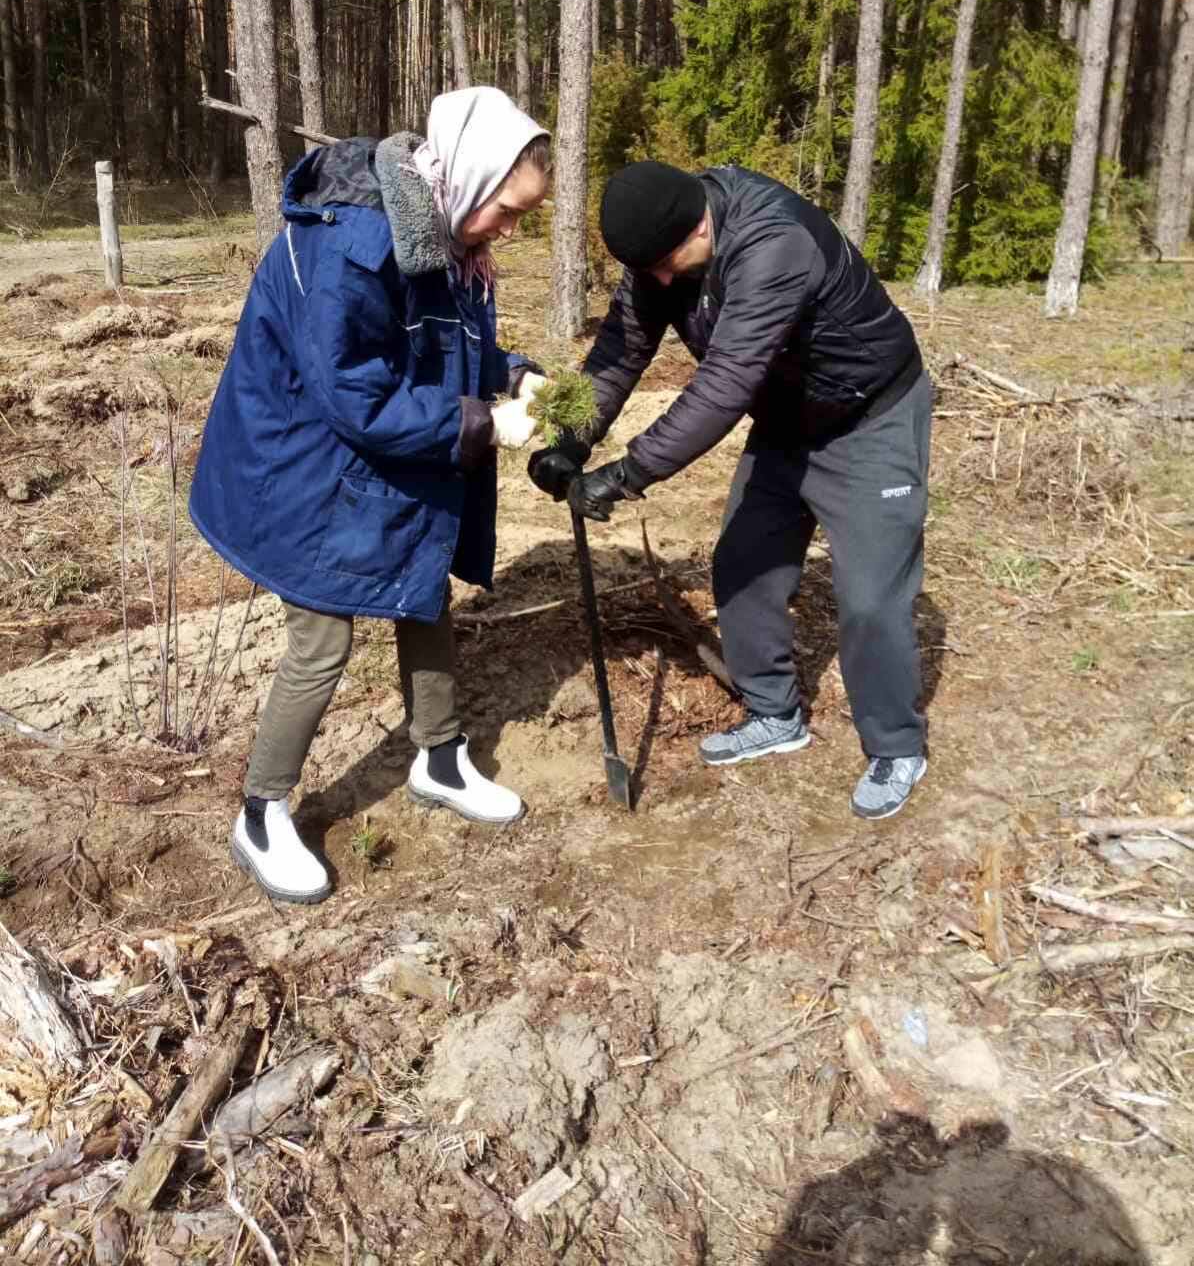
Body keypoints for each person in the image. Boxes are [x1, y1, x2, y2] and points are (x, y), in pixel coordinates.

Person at [190, 87, 551, 904]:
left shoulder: (443, 237)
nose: (510, 229)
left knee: (422, 588)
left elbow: (439, 345)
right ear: (467, 178)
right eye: (508, 209)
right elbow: (357, 395)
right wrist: (483, 424)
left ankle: (441, 757)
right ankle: (263, 809)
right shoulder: (356, 244)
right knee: (321, 636)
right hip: (294, 461)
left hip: (356, 447)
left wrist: (512, 376)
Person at [528, 160, 932, 821]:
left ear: (699, 224)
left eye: (665, 264)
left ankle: (896, 744)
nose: (659, 280)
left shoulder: (774, 246)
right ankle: (775, 714)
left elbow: (721, 388)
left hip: (869, 415)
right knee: (743, 564)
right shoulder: (662, 251)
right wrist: (569, 441)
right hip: (787, 413)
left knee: (869, 596)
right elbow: (619, 354)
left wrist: (626, 474)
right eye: (648, 269)